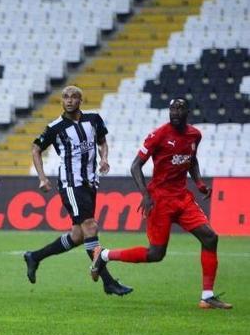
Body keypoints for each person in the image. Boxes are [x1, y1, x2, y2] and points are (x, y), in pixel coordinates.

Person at [91, 98, 232, 309]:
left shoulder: (195, 135)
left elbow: (191, 159)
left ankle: (207, 296)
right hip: (160, 200)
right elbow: (135, 166)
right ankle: (104, 255)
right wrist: (146, 194)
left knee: (210, 237)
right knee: (156, 254)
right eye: (172, 108)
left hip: (183, 198)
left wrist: (200, 183)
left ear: (188, 111)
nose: (175, 112)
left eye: (180, 108)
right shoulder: (158, 135)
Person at [23, 85, 132, 296]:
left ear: (81, 100)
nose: (69, 100)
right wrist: (42, 178)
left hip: (91, 182)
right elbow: (36, 149)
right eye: (65, 97)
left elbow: (102, 141)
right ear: (61, 101)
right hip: (71, 184)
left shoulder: (93, 119)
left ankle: (34, 257)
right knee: (91, 227)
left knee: (78, 235)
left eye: (74, 97)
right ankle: (108, 282)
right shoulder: (55, 127)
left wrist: (104, 158)